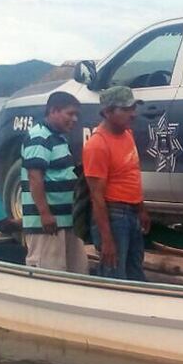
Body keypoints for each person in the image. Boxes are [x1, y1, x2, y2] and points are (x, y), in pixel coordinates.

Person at [83, 86, 150, 281]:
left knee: (135, 271)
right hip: (114, 215)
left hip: (132, 213)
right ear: (108, 112)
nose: (133, 114)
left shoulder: (127, 134)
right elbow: (96, 196)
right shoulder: (97, 145)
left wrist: (141, 209)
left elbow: (131, 175)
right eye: (126, 109)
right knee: (114, 275)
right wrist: (107, 239)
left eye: (133, 108)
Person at [21, 91, 89, 273]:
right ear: (54, 111)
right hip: (48, 226)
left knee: (78, 272)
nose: (74, 119)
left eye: (76, 115)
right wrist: (45, 214)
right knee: (49, 273)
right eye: (70, 113)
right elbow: (35, 177)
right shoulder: (39, 137)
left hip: (66, 222)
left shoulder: (59, 138)